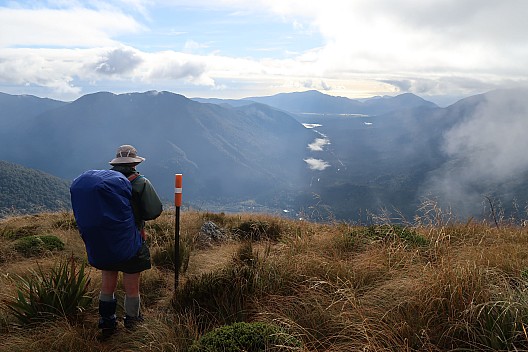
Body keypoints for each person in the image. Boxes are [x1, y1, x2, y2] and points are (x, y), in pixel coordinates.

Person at [98, 144, 163, 335]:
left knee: (107, 281)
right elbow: (153, 211)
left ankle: (107, 322)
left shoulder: (103, 181)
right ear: (134, 162)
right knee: (131, 284)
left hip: (107, 240)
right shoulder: (140, 182)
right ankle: (132, 322)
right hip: (131, 239)